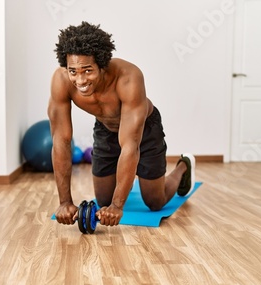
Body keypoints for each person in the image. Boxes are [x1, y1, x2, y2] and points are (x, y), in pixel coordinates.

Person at [48, 22, 195, 227]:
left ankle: (182, 168)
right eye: (73, 71)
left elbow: (130, 145)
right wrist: (65, 202)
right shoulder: (61, 80)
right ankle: (127, 181)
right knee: (103, 202)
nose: (80, 80)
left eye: (87, 70)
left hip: (144, 128)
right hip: (106, 128)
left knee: (155, 201)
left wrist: (118, 206)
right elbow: (60, 141)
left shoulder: (128, 77)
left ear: (102, 64)